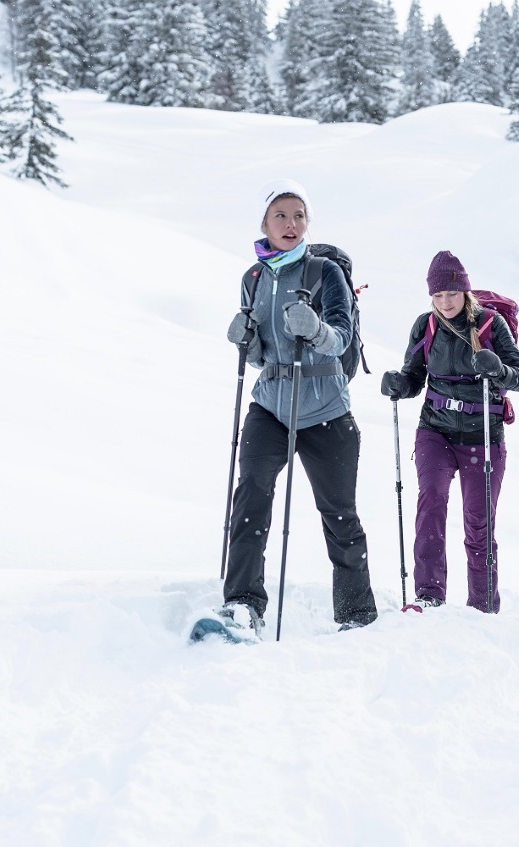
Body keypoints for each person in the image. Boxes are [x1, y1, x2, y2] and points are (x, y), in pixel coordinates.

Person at [218, 179, 378, 637]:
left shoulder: (324, 272)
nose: (291, 224)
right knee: (250, 496)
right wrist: (244, 342)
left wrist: (317, 331)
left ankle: (356, 615)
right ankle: (243, 603)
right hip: (270, 405)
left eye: (299, 215)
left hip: (326, 408)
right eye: (281, 215)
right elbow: (259, 354)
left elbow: (340, 339)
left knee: (339, 514)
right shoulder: (252, 278)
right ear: (264, 223)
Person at [379, 251, 519, 613]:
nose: (445, 302)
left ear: (464, 291)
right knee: (431, 503)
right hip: (435, 430)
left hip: (483, 436)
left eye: (451, 293)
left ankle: (482, 605)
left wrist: (497, 370)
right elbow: (415, 375)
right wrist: (400, 384)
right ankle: (429, 595)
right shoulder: (425, 325)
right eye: (437, 296)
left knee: (479, 522)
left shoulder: (492, 325)